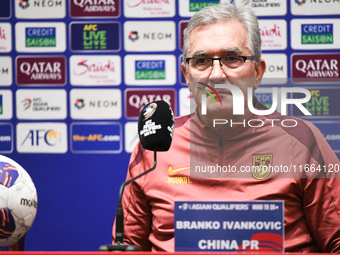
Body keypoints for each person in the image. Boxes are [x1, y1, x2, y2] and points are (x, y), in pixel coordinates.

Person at [112, 2, 340, 252]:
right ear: (187, 76)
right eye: (201, 61)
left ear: (258, 72)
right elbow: (127, 247)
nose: (216, 74)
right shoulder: (156, 147)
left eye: (232, 58)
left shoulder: (302, 141)